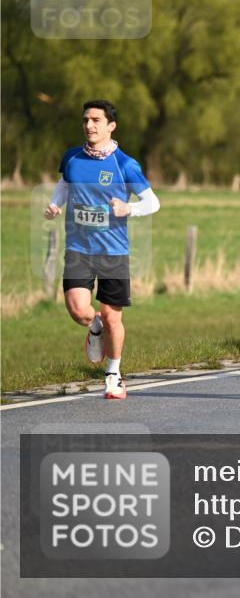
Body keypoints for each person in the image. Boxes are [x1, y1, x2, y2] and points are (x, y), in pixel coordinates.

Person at [43, 100, 160, 400]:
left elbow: (152, 202)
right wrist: (56, 203)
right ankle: (93, 327)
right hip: (79, 248)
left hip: (113, 252)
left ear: (111, 125)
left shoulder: (125, 165)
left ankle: (113, 375)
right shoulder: (72, 157)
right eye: (85, 120)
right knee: (79, 310)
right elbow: (65, 185)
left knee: (112, 316)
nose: (89, 125)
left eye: (96, 120)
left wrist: (128, 208)